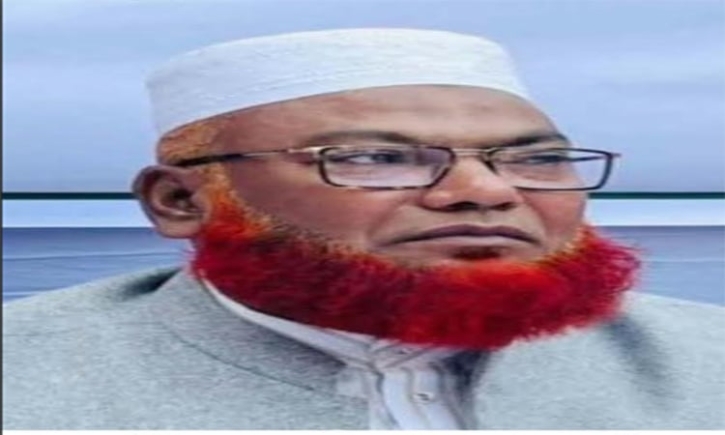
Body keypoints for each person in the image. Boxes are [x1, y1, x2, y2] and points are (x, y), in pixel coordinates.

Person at [3, 28, 723, 430]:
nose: (486, 191)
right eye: (375, 158)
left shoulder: (704, 360)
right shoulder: (26, 379)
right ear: (179, 201)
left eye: (535, 160)